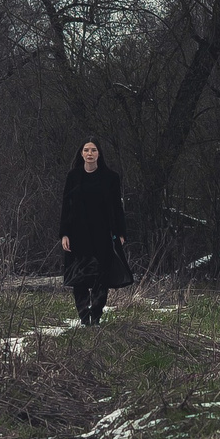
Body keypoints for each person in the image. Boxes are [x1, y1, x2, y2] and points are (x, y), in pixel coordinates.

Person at [58, 138, 130, 325]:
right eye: (86, 150)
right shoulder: (73, 176)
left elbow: (116, 206)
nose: (90, 153)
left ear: (99, 153)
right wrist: (64, 233)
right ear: (81, 153)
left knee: (101, 276)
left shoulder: (110, 177)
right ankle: (84, 317)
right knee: (79, 277)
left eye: (94, 150)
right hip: (77, 234)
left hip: (103, 233)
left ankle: (96, 316)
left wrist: (120, 233)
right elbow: (66, 206)